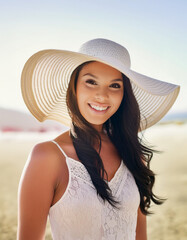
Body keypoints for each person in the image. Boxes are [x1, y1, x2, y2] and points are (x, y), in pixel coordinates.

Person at [17, 38, 180, 240]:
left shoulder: (133, 156)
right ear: (74, 87)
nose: (102, 96)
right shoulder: (47, 157)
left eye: (114, 85)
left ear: (124, 95)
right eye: (91, 82)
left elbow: (140, 235)